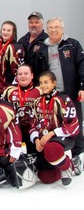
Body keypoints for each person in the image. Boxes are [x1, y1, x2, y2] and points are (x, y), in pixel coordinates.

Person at [36, 17, 84, 174]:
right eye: (50, 28)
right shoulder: (42, 47)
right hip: (51, 95)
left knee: (74, 124)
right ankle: (58, 156)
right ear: (47, 30)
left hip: (70, 92)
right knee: (52, 124)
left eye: (57, 27)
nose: (53, 30)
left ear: (62, 29)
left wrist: (82, 86)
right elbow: (37, 71)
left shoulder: (72, 44)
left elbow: (81, 65)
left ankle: (77, 157)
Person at [29, 71, 79, 186]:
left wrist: (51, 133)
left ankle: (67, 167)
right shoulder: (37, 102)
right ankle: (62, 163)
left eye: (46, 82)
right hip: (43, 141)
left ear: (54, 83)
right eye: (41, 83)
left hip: (62, 138)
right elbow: (32, 124)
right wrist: (36, 140)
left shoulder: (64, 99)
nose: (43, 85)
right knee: (46, 178)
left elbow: (73, 124)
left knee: (52, 149)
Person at [2, 64, 42, 154]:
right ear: (16, 77)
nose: (23, 76)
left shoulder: (40, 91)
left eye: (26, 73)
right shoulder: (9, 91)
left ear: (32, 76)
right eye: (20, 74)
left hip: (34, 129)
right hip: (15, 129)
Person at [0, 20, 24, 94]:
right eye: (4, 30)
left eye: (9, 30)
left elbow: (17, 71)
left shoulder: (14, 47)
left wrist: (11, 88)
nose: (5, 32)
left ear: (13, 33)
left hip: (6, 86)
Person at [18, 12, 48, 84]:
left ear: (42, 24)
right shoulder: (22, 41)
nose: (33, 25)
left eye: (36, 22)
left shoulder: (47, 41)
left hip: (41, 83)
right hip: (25, 83)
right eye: (31, 22)